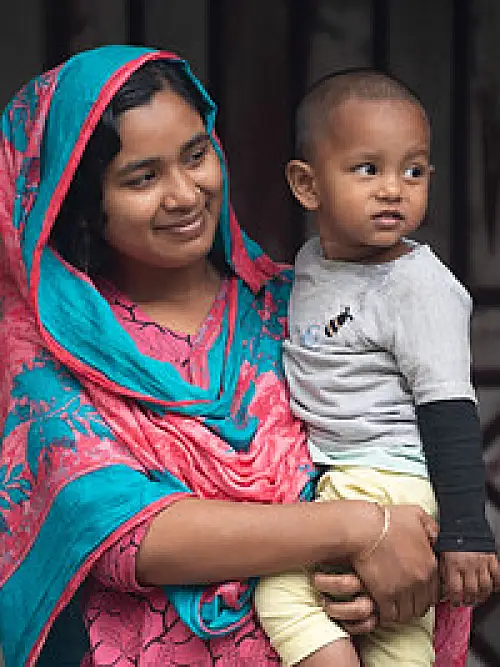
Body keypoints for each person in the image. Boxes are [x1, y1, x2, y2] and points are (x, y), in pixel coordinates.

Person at [0, 46, 465, 667]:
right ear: (82, 199)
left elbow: (405, 464)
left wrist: (379, 590)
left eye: (196, 156)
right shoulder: (51, 354)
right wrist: (359, 530)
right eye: (142, 177)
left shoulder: (295, 307)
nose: (184, 194)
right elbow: (120, 533)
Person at [254, 69, 500, 667]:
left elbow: (449, 408)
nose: (394, 188)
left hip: (393, 480)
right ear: (306, 185)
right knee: (389, 633)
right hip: (339, 481)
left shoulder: (417, 286)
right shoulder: (313, 263)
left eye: (413, 171)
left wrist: (467, 530)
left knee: (285, 593)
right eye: (368, 169)